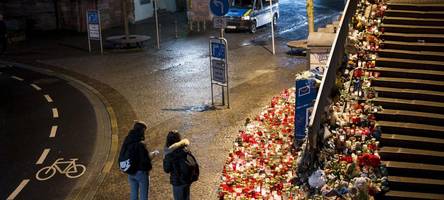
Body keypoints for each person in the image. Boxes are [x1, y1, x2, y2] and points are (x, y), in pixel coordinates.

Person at [121, 120, 159, 200]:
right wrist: (153, 154)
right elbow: (145, 161)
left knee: (133, 194)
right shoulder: (141, 144)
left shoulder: (127, 140)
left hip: (130, 172)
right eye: (144, 131)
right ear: (142, 131)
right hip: (141, 173)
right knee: (143, 196)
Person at [163, 130, 192, 200]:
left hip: (177, 182)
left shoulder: (169, 154)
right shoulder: (185, 148)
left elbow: (166, 169)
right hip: (187, 179)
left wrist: (164, 158)